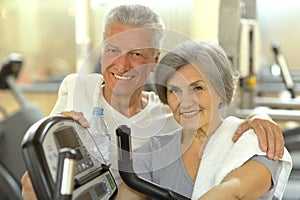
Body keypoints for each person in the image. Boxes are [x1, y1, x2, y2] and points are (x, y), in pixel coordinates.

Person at [21, 4, 285, 199]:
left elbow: (221, 125)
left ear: (153, 61)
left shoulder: (167, 117)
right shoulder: (78, 88)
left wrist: (259, 116)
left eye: (136, 54)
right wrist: (60, 133)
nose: (121, 64)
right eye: (112, 50)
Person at [116, 40, 292, 199]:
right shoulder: (153, 152)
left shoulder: (256, 142)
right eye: (174, 91)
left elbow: (234, 193)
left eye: (197, 88)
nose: (185, 102)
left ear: (221, 91)